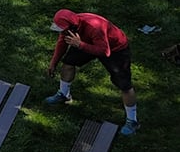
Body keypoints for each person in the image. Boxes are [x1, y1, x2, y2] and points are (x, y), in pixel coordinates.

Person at [44, 8, 139, 136]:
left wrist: (80, 45)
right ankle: (64, 94)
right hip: (84, 42)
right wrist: (53, 63)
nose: (62, 32)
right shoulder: (69, 27)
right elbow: (62, 42)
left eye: (63, 29)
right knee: (68, 64)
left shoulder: (94, 27)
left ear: (73, 27)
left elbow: (105, 52)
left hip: (114, 49)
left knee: (124, 85)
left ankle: (132, 121)